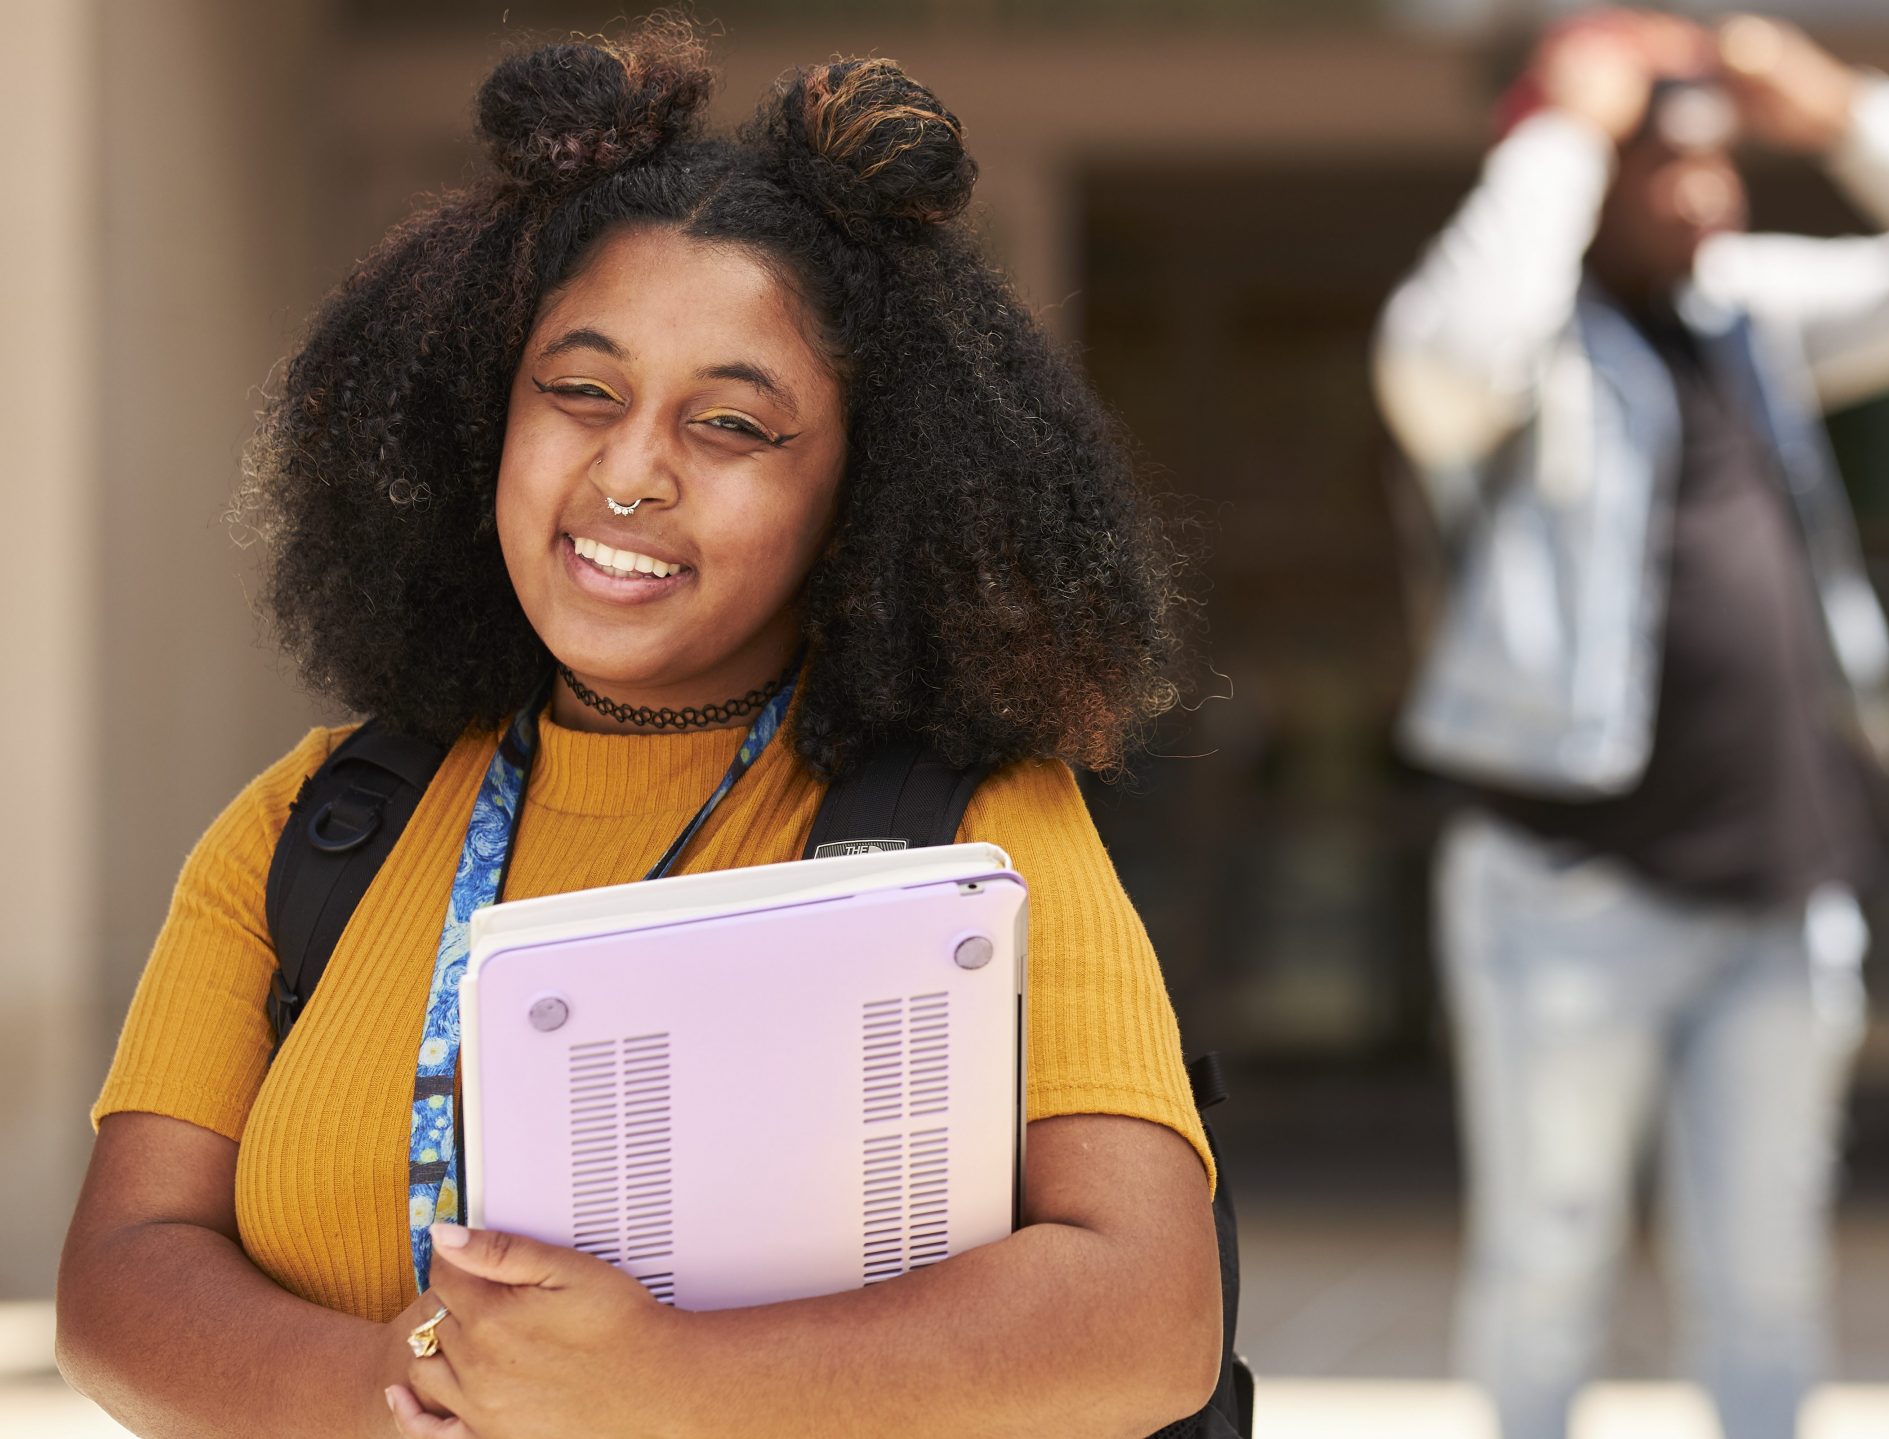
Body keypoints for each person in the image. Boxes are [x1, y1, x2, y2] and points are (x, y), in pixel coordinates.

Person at [55, 22, 1222, 1439]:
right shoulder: (312, 825)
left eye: (733, 425)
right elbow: (120, 1280)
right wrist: (414, 1379)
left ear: (863, 494)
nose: (629, 471)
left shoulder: (975, 823)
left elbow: (1150, 1316)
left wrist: (655, 1379)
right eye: (580, 390)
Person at [1372, 12, 1889, 1439]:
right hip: (1568, 894)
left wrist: (1844, 110)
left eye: (1721, 163)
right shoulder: (1522, 337)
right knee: (1547, 1263)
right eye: (1668, 166)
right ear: (1583, 181)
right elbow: (1444, 367)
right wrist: (1563, 125)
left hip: (1778, 898)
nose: (1710, 195)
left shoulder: (1746, 314)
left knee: (1764, 1284)